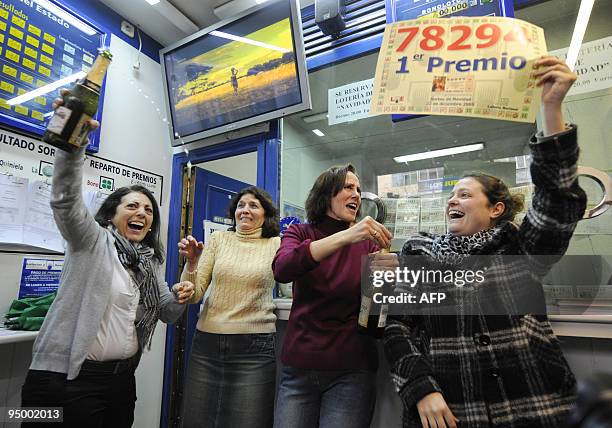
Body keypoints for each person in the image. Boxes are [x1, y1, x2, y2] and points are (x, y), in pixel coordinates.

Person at [383, 56, 586, 428]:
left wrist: (551, 108)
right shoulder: (419, 253)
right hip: (451, 410)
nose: (451, 201)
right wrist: (420, 388)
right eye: (451, 196)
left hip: (535, 403)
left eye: (463, 195)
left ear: (496, 209)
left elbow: (558, 202)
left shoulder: (519, 248)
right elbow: (398, 329)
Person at [21, 90, 195, 427]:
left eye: (148, 210)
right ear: (111, 214)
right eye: (132, 206)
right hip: (65, 381)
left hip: (120, 381)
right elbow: (65, 199)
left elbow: (169, 313)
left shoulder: (148, 262)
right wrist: (73, 145)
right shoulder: (91, 241)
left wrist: (190, 270)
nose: (142, 213)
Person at [273, 164, 398, 428]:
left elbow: (375, 321)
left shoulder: (369, 245)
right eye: (348, 187)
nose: (357, 194)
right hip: (299, 370)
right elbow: (283, 269)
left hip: (352, 372)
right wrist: (345, 236)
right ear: (326, 193)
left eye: (359, 190)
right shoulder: (300, 232)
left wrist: (384, 281)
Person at [178, 186, 280, 428]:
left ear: (266, 215)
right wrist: (191, 263)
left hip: (254, 349)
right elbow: (194, 294)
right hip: (207, 346)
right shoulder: (219, 239)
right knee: (196, 421)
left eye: (253, 206)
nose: (245, 210)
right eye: (241, 205)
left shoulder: (277, 244)